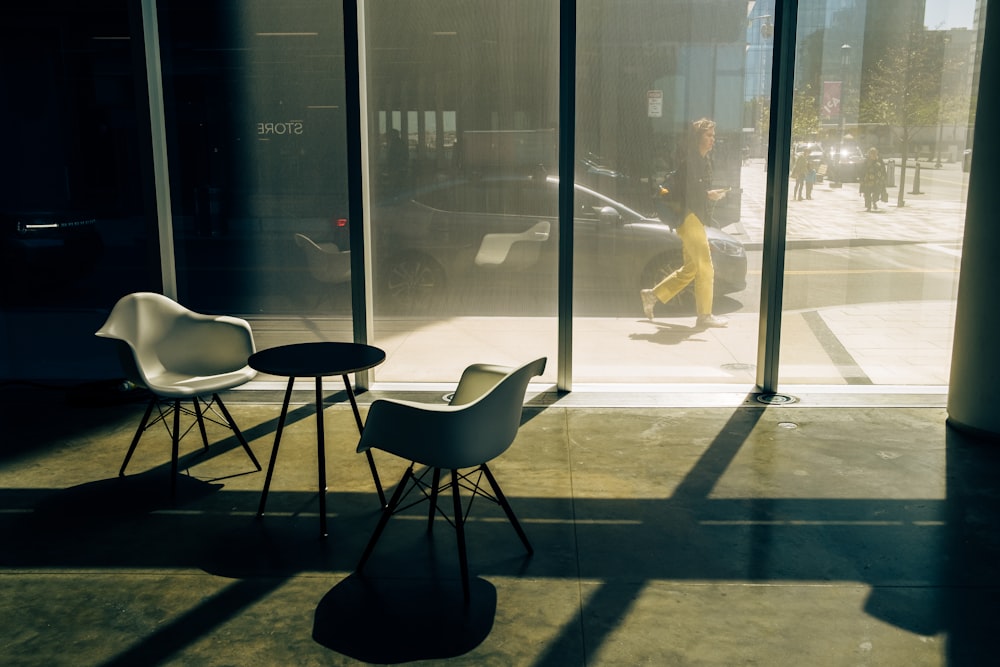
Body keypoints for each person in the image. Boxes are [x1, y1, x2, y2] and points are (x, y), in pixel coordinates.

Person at [640, 118, 729, 328]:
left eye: (713, 136)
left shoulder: (702, 161)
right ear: (698, 137)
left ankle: (653, 295)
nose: (712, 140)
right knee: (706, 267)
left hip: (691, 218)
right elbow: (691, 194)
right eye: (708, 135)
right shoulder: (691, 161)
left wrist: (708, 195)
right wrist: (711, 195)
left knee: (691, 269)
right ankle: (705, 315)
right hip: (688, 218)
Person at [859, 147, 887, 211]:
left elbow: (883, 169)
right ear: (869, 154)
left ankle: (874, 202)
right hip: (868, 180)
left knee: (877, 193)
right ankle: (868, 206)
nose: (873, 154)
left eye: (875, 153)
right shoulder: (867, 161)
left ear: (877, 153)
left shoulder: (879, 160)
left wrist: (884, 178)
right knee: (867, 193)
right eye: (872, 153)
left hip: (877, 181)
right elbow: (862, 170)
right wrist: (861, 179)